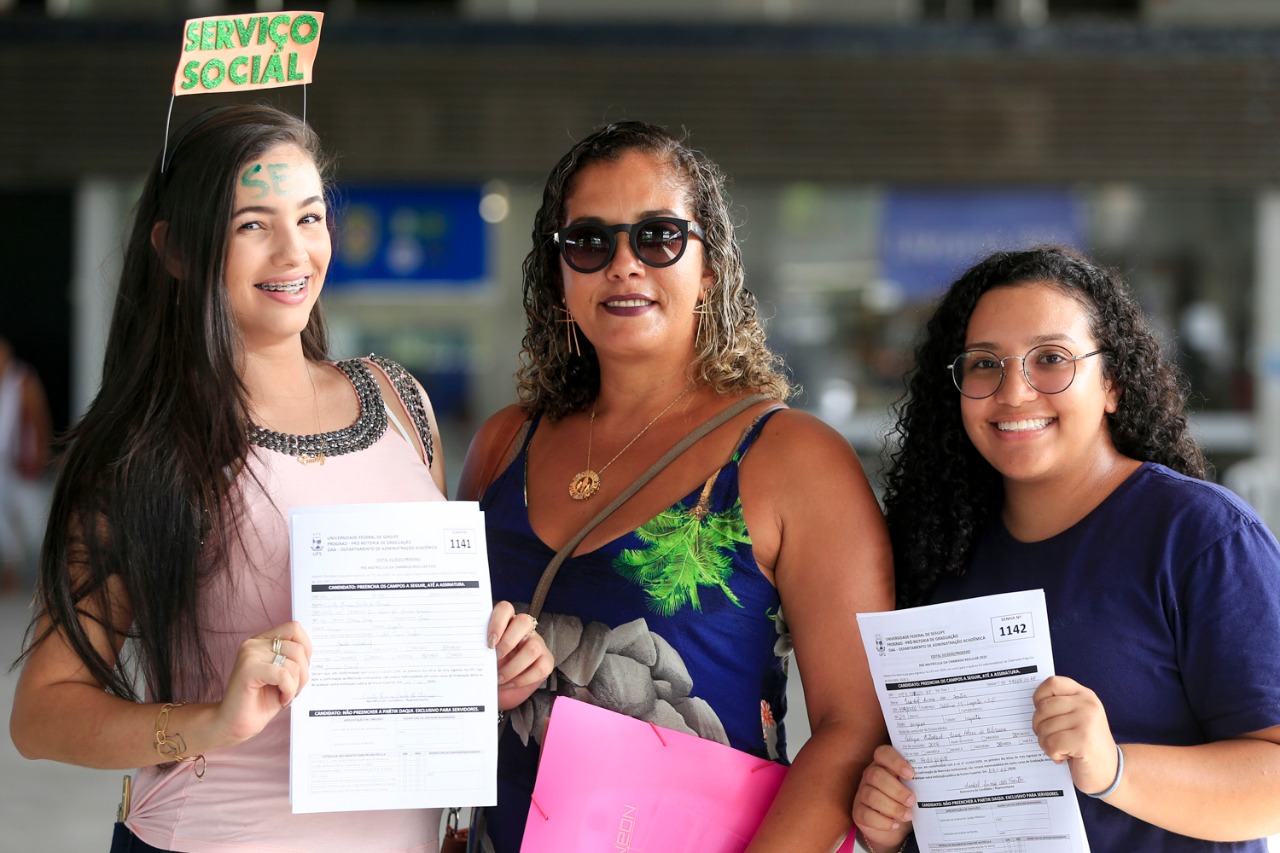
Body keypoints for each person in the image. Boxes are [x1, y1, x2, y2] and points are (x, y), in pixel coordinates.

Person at [8, 104, 552, 853]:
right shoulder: (143, 450)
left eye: (310, 217)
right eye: (251, 226)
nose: (293, 253)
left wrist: (475, 681)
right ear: (176, 250)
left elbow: (405, 663)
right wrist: (209, 721)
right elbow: (41, 713)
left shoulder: (398, 399)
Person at [457, 120, 895, 852]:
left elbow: (855, 727)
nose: (623, 265)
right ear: (559, 276)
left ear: (711, 264)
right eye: (590, 243)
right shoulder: (504, 443)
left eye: (658, 237)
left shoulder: (790, 457)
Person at [852, 246, 1280, 853]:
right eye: (983, 365)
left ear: (1112, 384)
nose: (1015, 393)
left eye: (1050, 359)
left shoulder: (1202, 535)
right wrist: (891, 827)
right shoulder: (934, 550)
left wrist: (1114, 769)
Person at [0, 334, 52, 593]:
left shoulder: (23, 382)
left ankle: (45, 571)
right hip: (2, 466)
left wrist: (38, 455)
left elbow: (39, 420)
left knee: (33, 521)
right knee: (4, 523)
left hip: (24, 464)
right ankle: (11, 572)